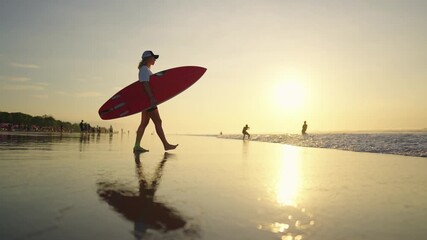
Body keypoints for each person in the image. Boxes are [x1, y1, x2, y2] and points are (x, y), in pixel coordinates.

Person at [134, 50, 178, 152]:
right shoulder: (144, 69)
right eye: (153, 58)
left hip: (145, 101)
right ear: (148, 59)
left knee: (144, 123)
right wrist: (151, 98)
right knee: (158, 121)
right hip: (149, 101)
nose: (154, 60)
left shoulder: (144, 69)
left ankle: (136, 146)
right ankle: (166, 145)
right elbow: (145, 84)